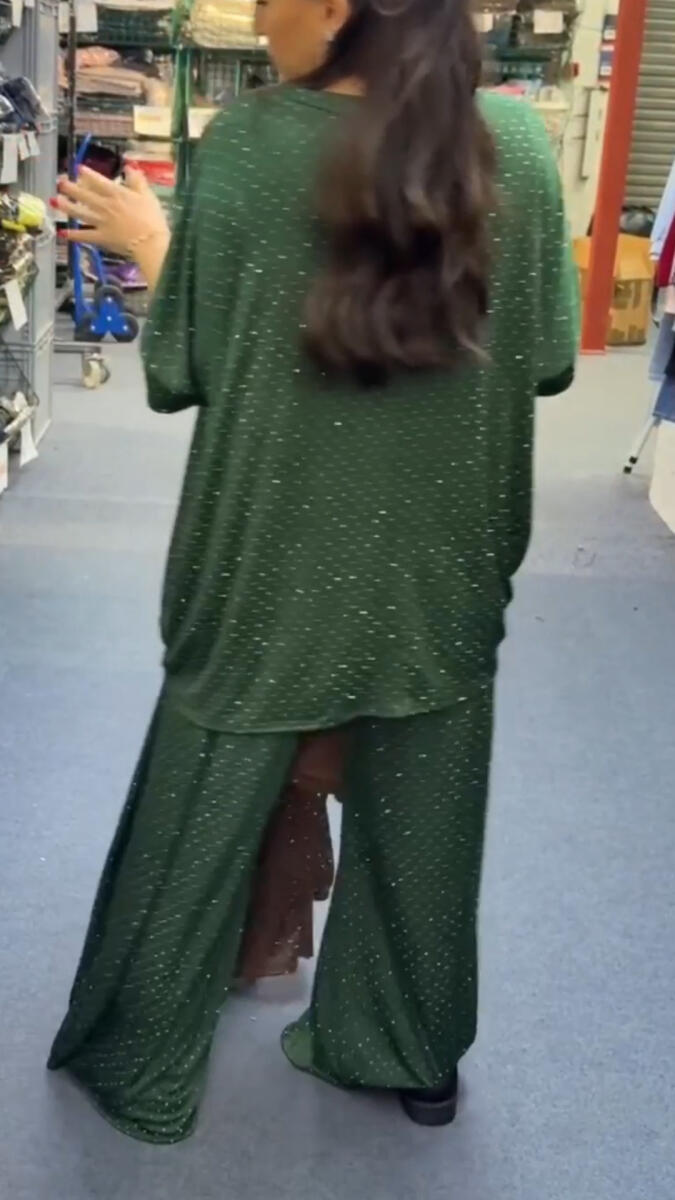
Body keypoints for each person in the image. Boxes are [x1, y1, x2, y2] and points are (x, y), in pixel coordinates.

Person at [48, 0, 579, 1145]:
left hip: (267, 558)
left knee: (200, 802)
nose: (254, 16)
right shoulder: (521, 149)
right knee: (425, 817)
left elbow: (186, 362)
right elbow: (543, 359)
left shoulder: (249, 146)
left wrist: (150, 239)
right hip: (448, 558)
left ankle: (144, 1054)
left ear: (336, 7)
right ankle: (408, 1050)